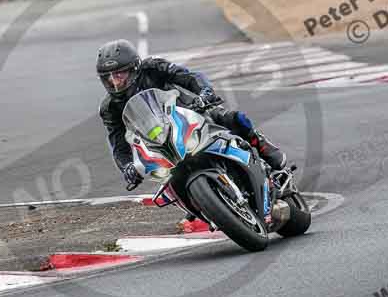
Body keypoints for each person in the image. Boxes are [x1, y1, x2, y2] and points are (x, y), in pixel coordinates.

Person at [97, 39, 287, 190]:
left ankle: (261, 146)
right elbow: (118, 143)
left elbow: (189, 77)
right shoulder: (109, 108)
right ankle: (195, 201)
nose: (115, 82)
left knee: (231, 118)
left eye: (119, 74)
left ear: (134, 68)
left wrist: (204, 93)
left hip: (189, 115)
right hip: (157, 144)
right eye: (109, 77)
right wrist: (127, 167)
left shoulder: (153, 68)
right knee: (164, 181)